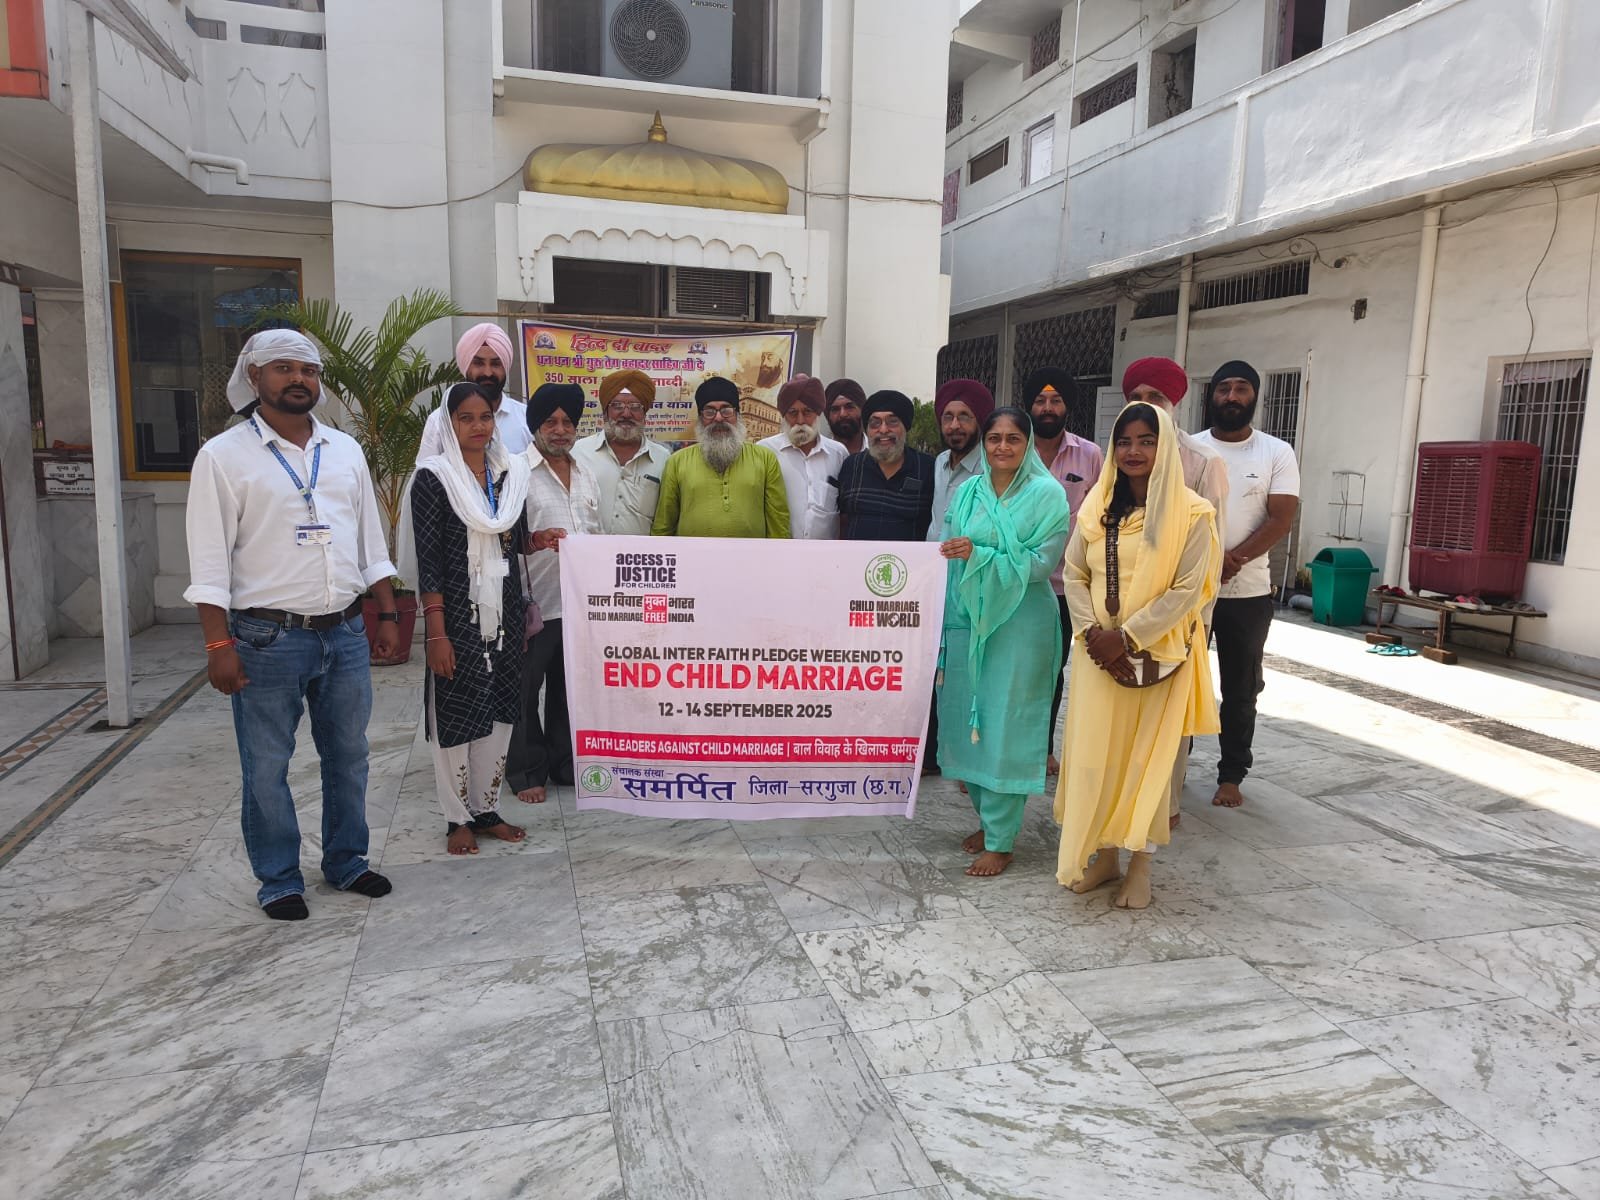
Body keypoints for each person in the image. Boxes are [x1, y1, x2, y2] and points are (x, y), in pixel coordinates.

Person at [184, 330, 396, 920]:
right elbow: (208, 561)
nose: (299, 379)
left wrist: (384, 612)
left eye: (308, 370)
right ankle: (279, 879)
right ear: (254, 377)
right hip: (266, 638)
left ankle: (347, 860)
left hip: (345, 632)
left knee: (349, 755)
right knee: (268, 765)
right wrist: (218, 642)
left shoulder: (344, 450)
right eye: (283, 368)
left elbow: (370, 542)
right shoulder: (223, 457)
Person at [1054, 403, 1221, 909]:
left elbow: (1187, 590)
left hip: (1157, 657)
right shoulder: (1097, 505)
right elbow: (1075, 573)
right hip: (1096, 657)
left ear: (1164, 445)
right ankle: (1105, 858)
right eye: (1124, 441)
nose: (1134, 451)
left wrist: (1125, 638)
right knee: (1097, 760)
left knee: (1147, 764)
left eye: (1147, 440)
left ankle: (1140, 867)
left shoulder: (1193, 513)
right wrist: (1093, 634)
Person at [938, 407, 1070, 878]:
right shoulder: (968, 491)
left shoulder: (1047, 494)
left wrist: (978, 553)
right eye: (994, 438)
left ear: (1028, 443)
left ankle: (1002, 840)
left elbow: (1040, 564)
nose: (1002, 447)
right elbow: (946, 547)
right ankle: (987, 819)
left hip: (1020, 625)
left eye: (1013, 438)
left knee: (1008, 725)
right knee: (968, 719)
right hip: (968, 619)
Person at [413, 382, 533, 855]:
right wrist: (436, 633)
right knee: (456, 711)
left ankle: (487, 811)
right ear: (449, 424)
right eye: (466, 418)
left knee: (500, 709)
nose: (478, 426)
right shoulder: (433, 478)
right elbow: (429, 561)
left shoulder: (509, 474)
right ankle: (456, 818)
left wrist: (539, 540)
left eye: (485, 417)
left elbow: (513, 539)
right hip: (457, 613)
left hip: (504, 610)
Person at [1119, 356, 1228, 825]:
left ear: (1175, 402)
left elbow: (1210, 554)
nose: (1146, 404)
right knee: (1124, 715)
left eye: (1156, 397)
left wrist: (1196, 622)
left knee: (1169, 716)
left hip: (1178, 617)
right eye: (1137, 396)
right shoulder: (1118, 458)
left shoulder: (1201, 463)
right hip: (1120, 613)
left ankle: (1165, 808)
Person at [1193, 360, 1301, 810]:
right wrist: (1206, 563)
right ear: (1211, 395)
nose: (1232, 397)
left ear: (1255, 396)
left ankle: (1232, 774)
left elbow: (1281, 518)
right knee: (1179, 681)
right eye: (1224, 388)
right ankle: (1172, 768)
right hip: (1190, 589)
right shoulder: (1191, 448)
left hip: (1248, 593)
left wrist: (1232, 560)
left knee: (1241, 688)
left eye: (1241, 389)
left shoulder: (1276, 452)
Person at [507, 382, 603, 803]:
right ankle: (526, 771)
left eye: (567, 422)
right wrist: (535, 539)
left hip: (578, 605)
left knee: (570, 690)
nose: (560, 430)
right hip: (533, 605)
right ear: (535, 426)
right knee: (524, 690)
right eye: (550, 422)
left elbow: (597, 534)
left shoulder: (586, 473)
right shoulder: (514, 471)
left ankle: (565, 764)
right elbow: (501, 538)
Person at [1025, 367, 1104, 776]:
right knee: (1012, 665)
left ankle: (1041, 749)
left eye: (1055, 400)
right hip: (1018, 580)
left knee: (1051, 670)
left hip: (1064, 585)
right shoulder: (1014, 449)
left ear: (1067, 406)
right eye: (1040, 400)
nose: (1047, 408)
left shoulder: (1089, 455)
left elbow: (1102, 514)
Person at [651, 377, 790, 538]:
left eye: (726, 410)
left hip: (751, 554)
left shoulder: (765, 459)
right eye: (709, 412)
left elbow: (778, 521)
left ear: (737, 414)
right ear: (700, 417)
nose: (718, 418)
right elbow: (663, 525)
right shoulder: (677, 462)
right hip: (693, 554)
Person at [574, 369, 672, 535]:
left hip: (643, 552)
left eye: (635, 407)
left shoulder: (663, 458)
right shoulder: (579, 452)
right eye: (617, 406)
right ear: (605, 412)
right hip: (588, 551)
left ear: (644, 413)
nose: (626, 414)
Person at [418, 323, 530, 461]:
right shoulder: (439, 421)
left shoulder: (526, 418)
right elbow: (426, 471)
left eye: (496, 364)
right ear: (466, 366)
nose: (488, 373)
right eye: (479, 363)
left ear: (505, 367)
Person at [835, 389, 936, 541]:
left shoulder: (927, 468)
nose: (883, 430)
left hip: (910, 557)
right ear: (867, 430)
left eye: (892, 421)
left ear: (905, 427)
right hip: (856, 556)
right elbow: (841, 521)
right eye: (875, 423)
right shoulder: (852, 466)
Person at [758, 374, 847, 539]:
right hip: (780, 550)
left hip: (827, 552)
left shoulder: (838, 453)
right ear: (784, 415)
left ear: (818, 413)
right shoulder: (765, 451)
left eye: (807, 412)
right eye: (793, 413)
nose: (800, 420)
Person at [927, 378, 992, 538]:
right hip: (931, 554)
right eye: (948, 417)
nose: (954, 425)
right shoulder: (940, 461)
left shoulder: (991, 468)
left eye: (964, 417)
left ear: (979, 422)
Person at [825, 378, 867, 455]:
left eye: (849, 407)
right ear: (828, 416)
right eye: (835, 409)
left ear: (862, 410)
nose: (843, 414)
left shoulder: (879, 452)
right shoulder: (820, 456)